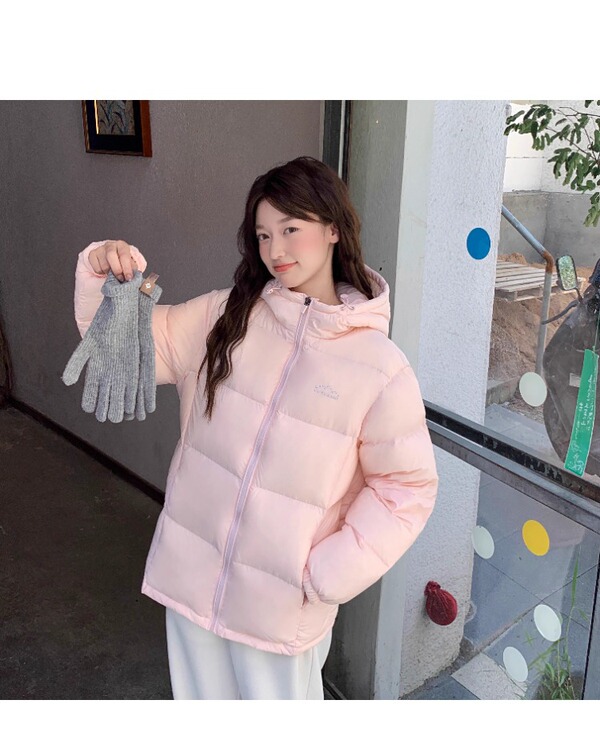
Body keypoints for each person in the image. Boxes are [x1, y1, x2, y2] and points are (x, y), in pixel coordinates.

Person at [71, 155, 439, 700]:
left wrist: (325, 575)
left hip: (280, 612)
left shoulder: (379, 366)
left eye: (291, 229)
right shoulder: (225, 318)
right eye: (264, 235)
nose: (275, 250)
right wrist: (102, 274)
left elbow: (406, 487)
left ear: (334, 229)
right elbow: (124, 351)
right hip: (191, 583)